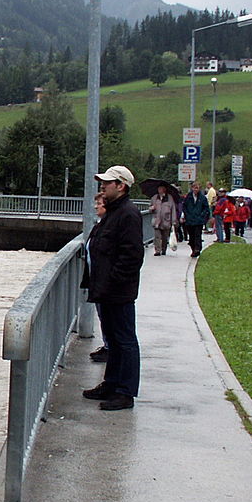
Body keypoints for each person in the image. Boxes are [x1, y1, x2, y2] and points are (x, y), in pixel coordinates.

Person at [81, 165, 144, 411]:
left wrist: (113, 281)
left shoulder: (128, 214)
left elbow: (132, 256)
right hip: (106, 291)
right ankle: (111, 384)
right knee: (114, 342)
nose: (102, 187)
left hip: (117, 292)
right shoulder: (114, 212)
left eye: (107, 183)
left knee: (125, 341)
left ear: (121, 186)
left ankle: (125, 392)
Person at [88, 193, 109, 364]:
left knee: (107, 316)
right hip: (98, 280)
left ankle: (109, 348)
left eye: (99, 204)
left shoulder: (108, 225)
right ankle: (107, 345)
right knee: (103, 316)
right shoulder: (100, 224)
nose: (96, 206)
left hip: (104, 282)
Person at [181, 181, 210, 257]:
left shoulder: (202, 198)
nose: (195, 190)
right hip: (189, 220)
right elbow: (184, 207)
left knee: (197, 235)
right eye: (194, 188)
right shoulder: (188, 197)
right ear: (192, 188)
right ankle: (193, 248)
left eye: (197, 188)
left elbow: (206, 208)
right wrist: (186, 215)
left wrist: (202, 216)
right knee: (191, 237)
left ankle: (197, 249)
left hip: (198, 220)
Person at [148, 183, 176, 256]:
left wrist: (173, 221)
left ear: (164, 189)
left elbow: (173, 209)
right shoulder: (154, 198)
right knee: (157, 236)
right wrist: (151, 208)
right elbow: (150, 208)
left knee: (164, 237)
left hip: (166, 220)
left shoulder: (169, 198)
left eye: (161, 188)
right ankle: (157, 250)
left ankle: (164, 249)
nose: (159, 190)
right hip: (156, 220)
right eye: (159, 188)